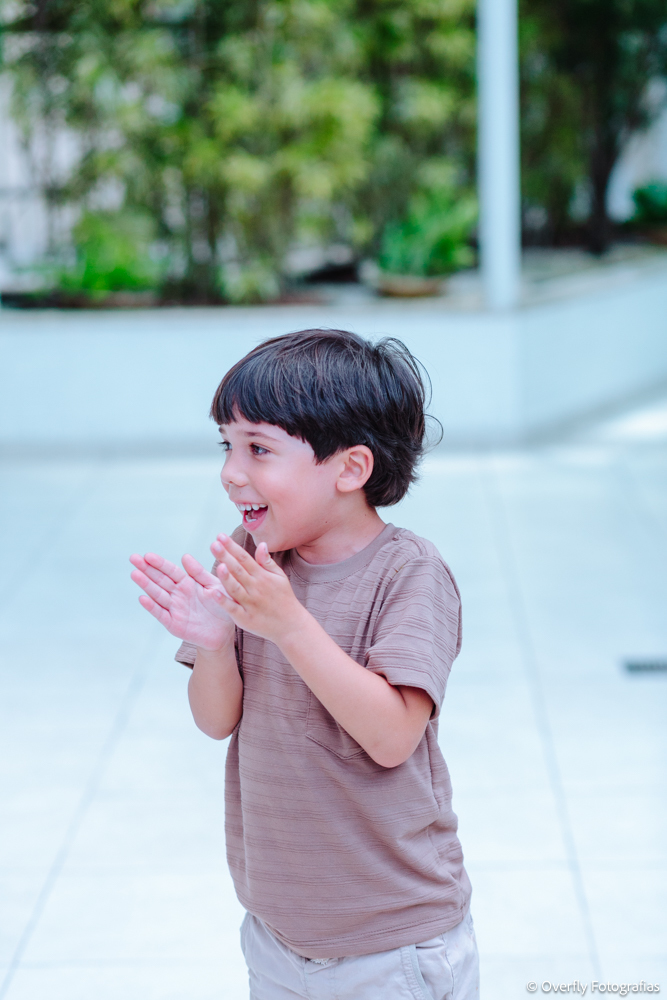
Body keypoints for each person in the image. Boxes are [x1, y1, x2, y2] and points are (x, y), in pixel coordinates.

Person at [129, 328, 478, 1000]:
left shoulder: (408, 573)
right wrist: (214, 640)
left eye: (258, 449)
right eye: (226, 446)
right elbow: (214, 719)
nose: (232, 472)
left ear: (349, 469)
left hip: (392, 941)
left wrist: (289, 625)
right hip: (277, 933)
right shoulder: (253, 555)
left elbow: (390, 737)